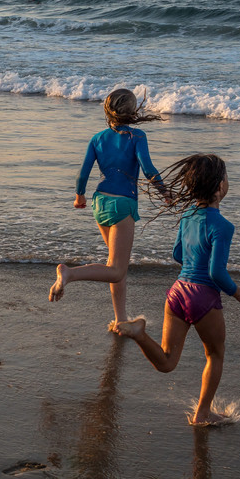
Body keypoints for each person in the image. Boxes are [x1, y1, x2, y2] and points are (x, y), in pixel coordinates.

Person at [116, 154, 240, 425]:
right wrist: (237, 291)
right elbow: (216, 273)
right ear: (219, 187)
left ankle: (139, 333)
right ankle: (203, 413)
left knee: (168, 362)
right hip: (203, 297)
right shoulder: (223, 226)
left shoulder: (188, 216)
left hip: (178, 291)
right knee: (215, 355)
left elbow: (178, 254)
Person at [49, 88, 164, 327]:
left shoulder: (98, 138)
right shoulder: (137, 137)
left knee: (114, 265)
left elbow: (82, 174)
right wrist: (166, 192)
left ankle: (120, 320)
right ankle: (70, 273)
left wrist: (79, 196)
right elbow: (149, 169)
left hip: (99, 202)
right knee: (117, 270)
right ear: (132, 112)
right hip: (122, 205)